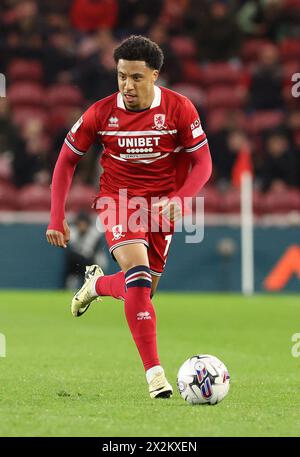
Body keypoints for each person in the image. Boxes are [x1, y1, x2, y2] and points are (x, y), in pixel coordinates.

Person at [46, 35, 212, 399]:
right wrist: (57, 216)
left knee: (143, 293)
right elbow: (65, 160)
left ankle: (97, 285)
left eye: (136, 77)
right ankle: (156, 376)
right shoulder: (101, 113)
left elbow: (204, 162)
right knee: (137, 279)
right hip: (118, 202)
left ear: (155, 75)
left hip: (162, 208)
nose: (127, 85)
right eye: (121, 76)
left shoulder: (180, 109)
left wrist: (182, 200)